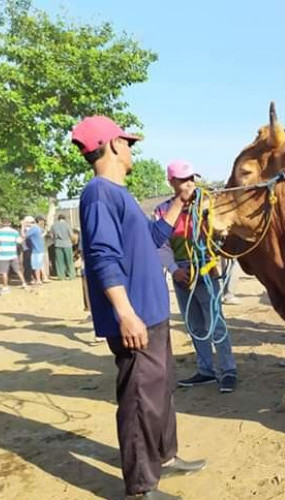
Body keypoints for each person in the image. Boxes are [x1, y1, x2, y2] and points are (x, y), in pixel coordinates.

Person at [72, 116, 205, 500]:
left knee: (160, 390)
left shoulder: (120, 193)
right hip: (135, 317)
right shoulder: (99, 193)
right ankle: (141, 488)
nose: (131, 149)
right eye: (127, 143)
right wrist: (125, 313)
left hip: (152, 312)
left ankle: (165, 456)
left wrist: (180, 203)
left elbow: (151, 238)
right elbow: (102, 256)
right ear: (112, 145)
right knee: (138, 399)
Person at [154, 160, 238, 393]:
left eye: (192, 178)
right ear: (171, 182)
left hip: (206, 269)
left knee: (216, 323)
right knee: (194, 324)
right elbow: (161, 245)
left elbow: (222, 231)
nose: (190, 184)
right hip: (181, 272)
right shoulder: (162, 211)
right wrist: (174, 270)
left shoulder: (207, 204)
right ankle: (205, 370)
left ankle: (228, 370)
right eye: (183, 180)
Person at [0, 218, 28, 293]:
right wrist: (24, 237)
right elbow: (19, 241)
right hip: (13, 254)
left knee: (4, 272)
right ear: (10, 223)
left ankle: (5, 287)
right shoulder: (14, 232)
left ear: (2, 223)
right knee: (18, 270)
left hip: (3, 255)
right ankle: (24, 283)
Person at [24, 215, 49, 285]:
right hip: (40, 249)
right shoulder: (38, 228)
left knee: (36, 266)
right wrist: (43, 235)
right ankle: (44, 277)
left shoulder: (33, 229)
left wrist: (23, 227)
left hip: (34, 250)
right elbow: (44, 231)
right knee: (40, 264)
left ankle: (38, 279)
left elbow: (24, 235)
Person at [50, 214, 76, 280]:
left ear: (58, 218)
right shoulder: (67, 225)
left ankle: (61, 276)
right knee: (69, 261)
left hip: (58, 244)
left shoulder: (53, 226)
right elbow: (72, 235)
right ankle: (71, 275)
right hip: (67, 244)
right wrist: (73, 242)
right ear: (64, 219)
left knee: (59, 261)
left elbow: (51, 236)